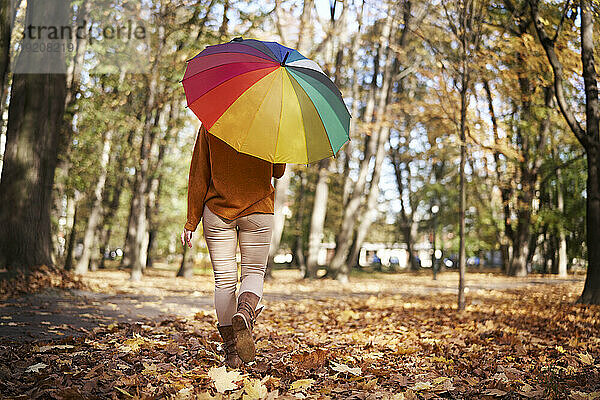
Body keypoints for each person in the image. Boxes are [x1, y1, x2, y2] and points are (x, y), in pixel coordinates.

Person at [180, 125, 286, 368]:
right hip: (258, 210)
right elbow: (278, 171)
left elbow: (199, 173)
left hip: (218, 212)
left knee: (224, 281)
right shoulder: (271, 121)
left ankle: (232, 354)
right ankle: (245, 313)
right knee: (253, 272)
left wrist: (191, 220)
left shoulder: (212, 120)